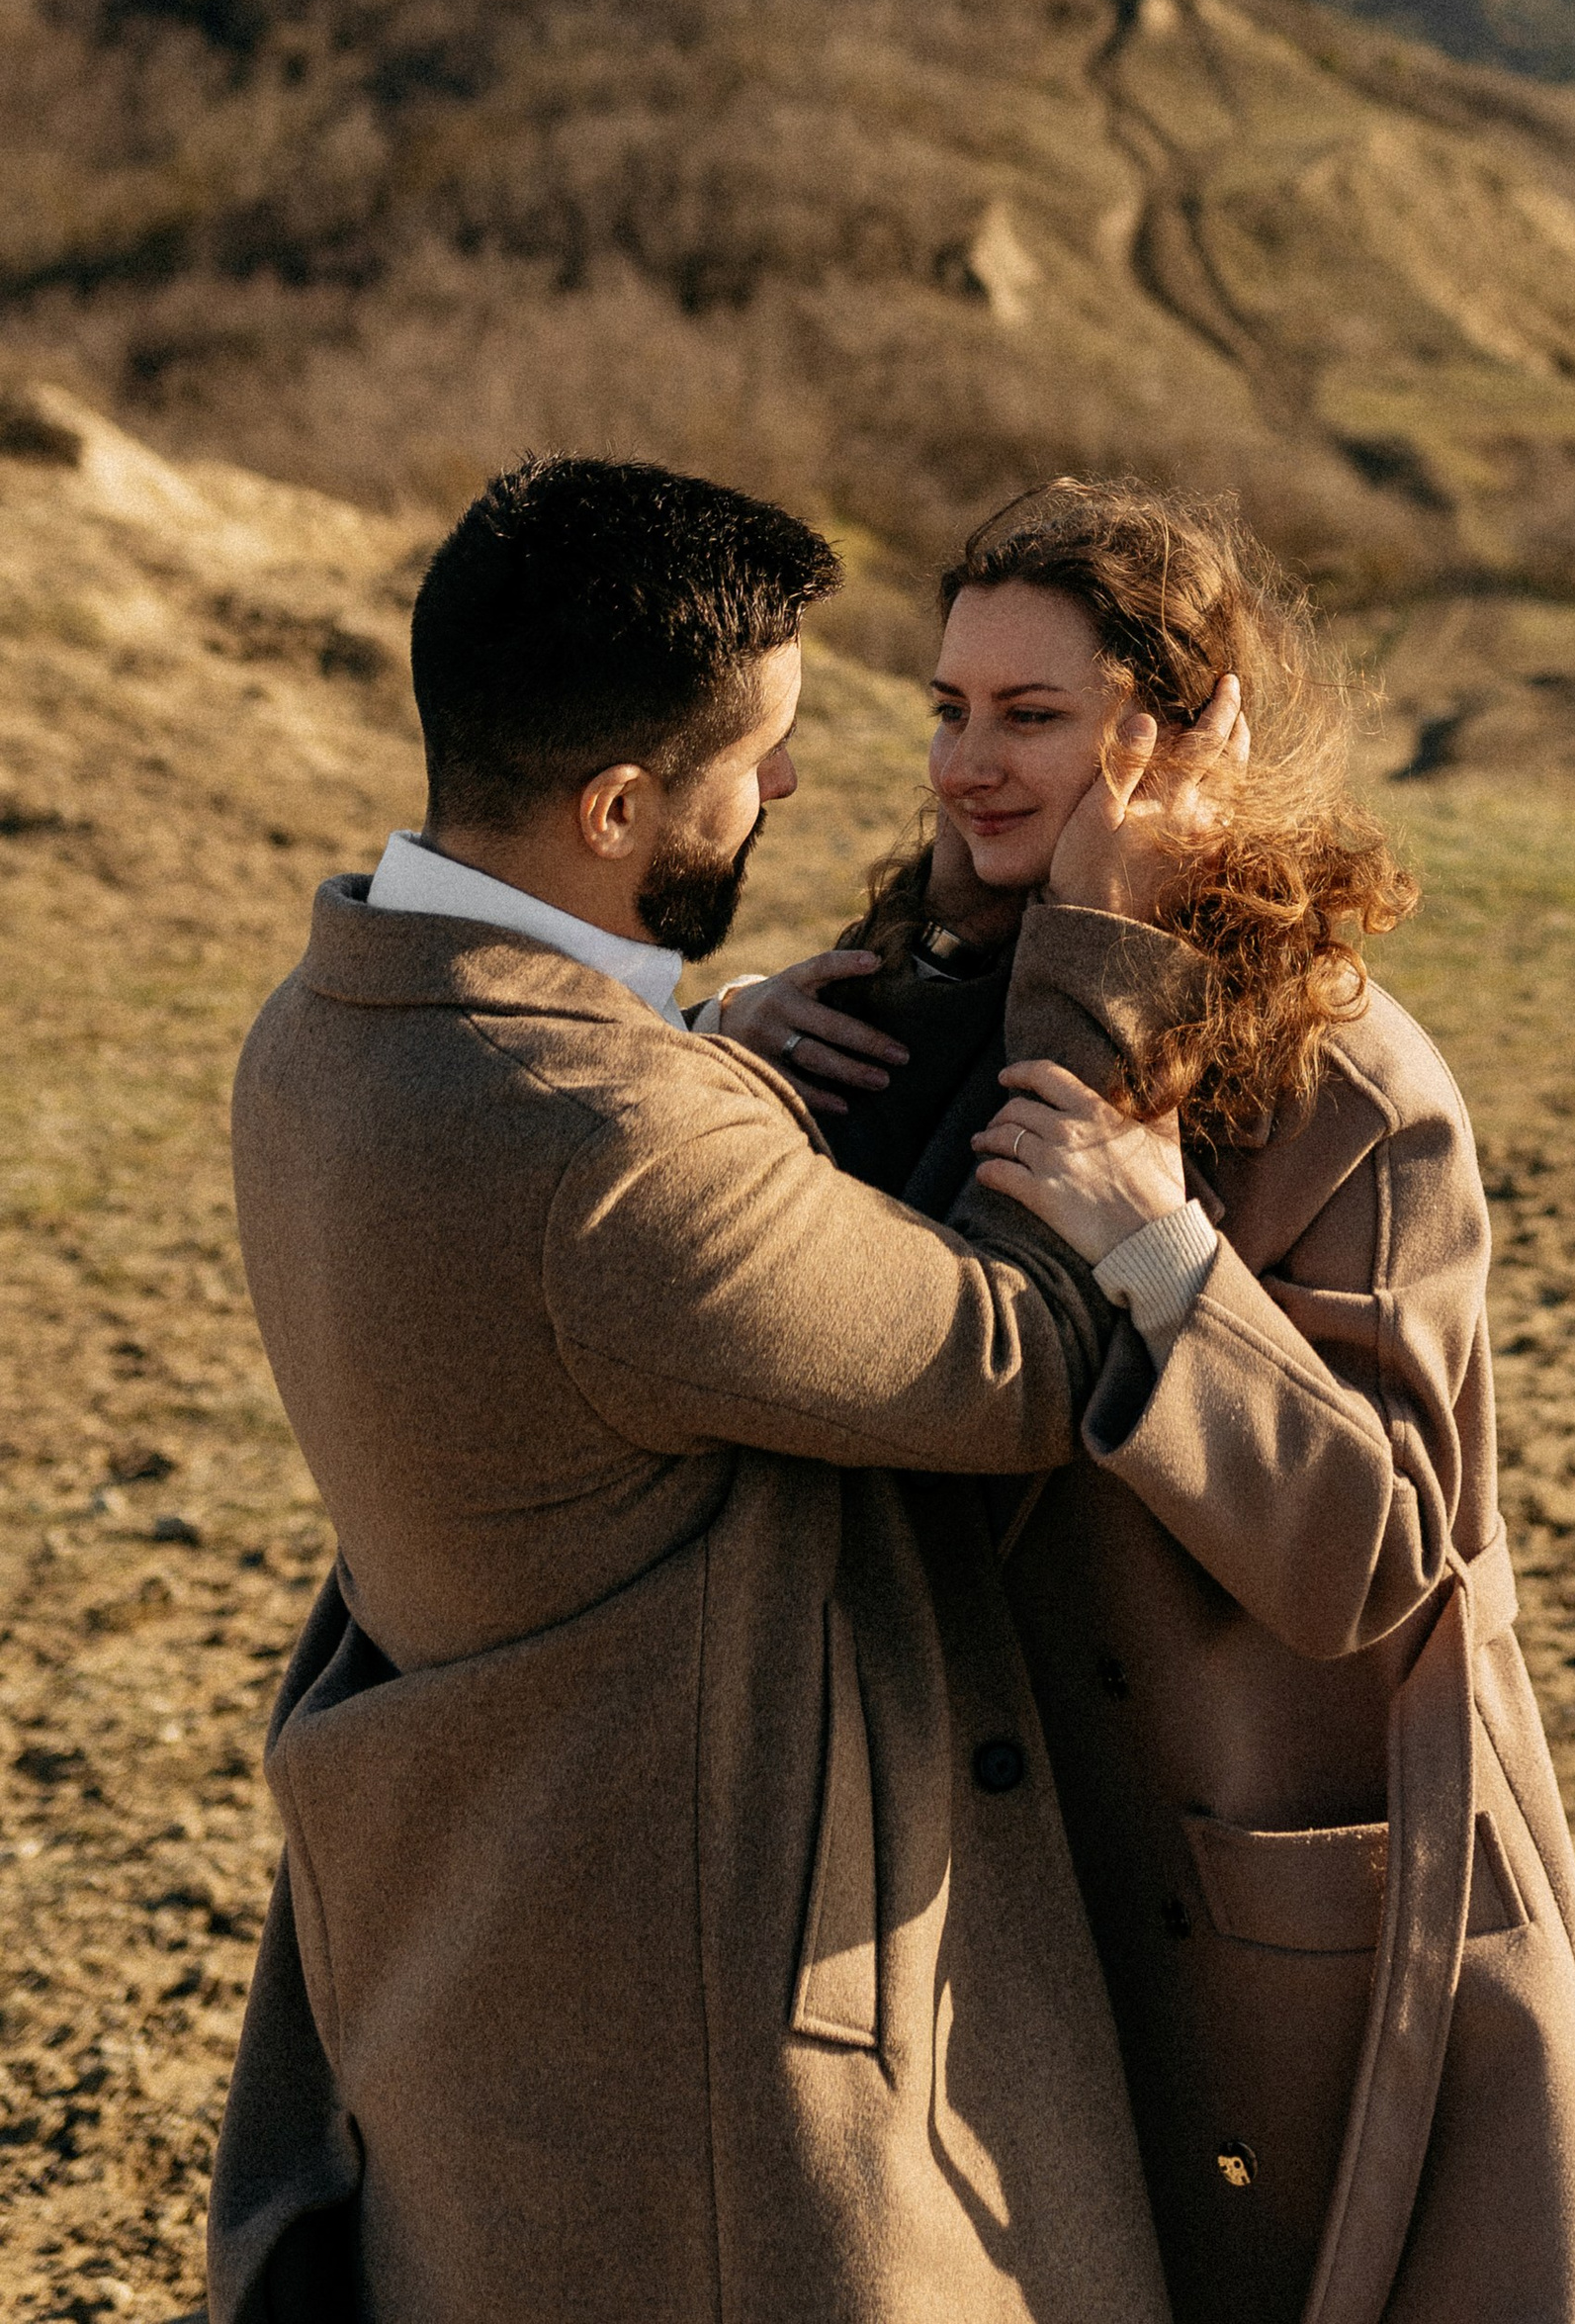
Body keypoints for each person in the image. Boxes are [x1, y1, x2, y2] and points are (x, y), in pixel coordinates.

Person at [211, 456, 1190, 2324]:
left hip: (483, 1967)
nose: (803, 788)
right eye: (763, 756)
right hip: (704, 2029)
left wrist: (698, 1047)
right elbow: (1020, 1360)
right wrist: (1119, 955)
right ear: (618, 805)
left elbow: (566, 1188)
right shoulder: (612, 1149)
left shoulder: (321, 1021)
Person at [720, 479, 1575, 2324]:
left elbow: (1379, 1551)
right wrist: (717, 1080)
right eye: (950, 711)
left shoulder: (1348, 1083)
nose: (969, 766)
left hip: (1308, 1919)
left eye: (1034, 717)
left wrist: (1170, 1270)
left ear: (1189, 733)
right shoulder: (890, 1006)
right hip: (1010, 1900)